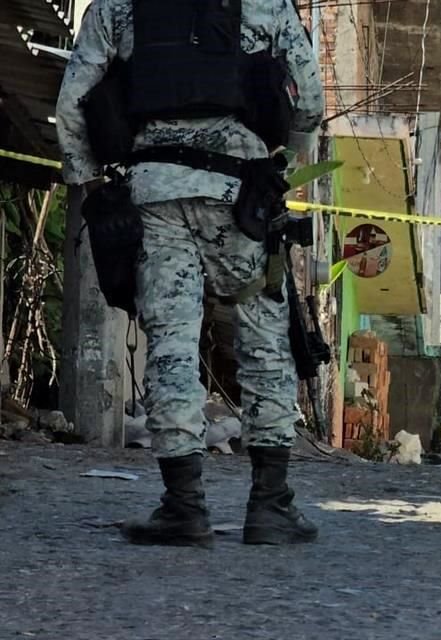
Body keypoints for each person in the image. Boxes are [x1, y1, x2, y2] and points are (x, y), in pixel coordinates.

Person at [56, 0, 324, 547]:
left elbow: (72, 102)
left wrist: (91, 185)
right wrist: (284, 171)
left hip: (155, 194)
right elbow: (310, 101)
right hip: (240, 197)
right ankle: (270, 507)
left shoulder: (118, 7)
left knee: (172, 347)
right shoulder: (264, 4)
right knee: (264, 340)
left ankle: (184, 506)